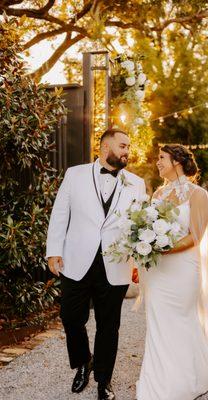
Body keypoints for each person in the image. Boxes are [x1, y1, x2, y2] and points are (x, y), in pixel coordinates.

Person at [46, 128, 146, 400]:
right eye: (123, 145)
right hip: (76, 259)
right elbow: (60, 213)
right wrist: (53, 251)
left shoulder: (137, 183)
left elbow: (141, 226)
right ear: (105, 147)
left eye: (128, 146)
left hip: (116, 264)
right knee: (70, 317)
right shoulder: (75, 174)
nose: (127, 151)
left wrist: (138, 262)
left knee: (108, 325)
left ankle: (104, 380)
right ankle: (83, 361)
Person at [136, 144, 208, 400]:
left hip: (184, 269)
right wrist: (145, 250)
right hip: (158, 272)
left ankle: (189, 377)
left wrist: (161, 248)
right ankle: (157, 381)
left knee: (181, 319)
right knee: (158, 322)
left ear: (177, 161)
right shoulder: (158, 195)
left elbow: (195, 236)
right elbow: (147, 230)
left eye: (162, 158)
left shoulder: (198, 194)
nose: (157, 162)